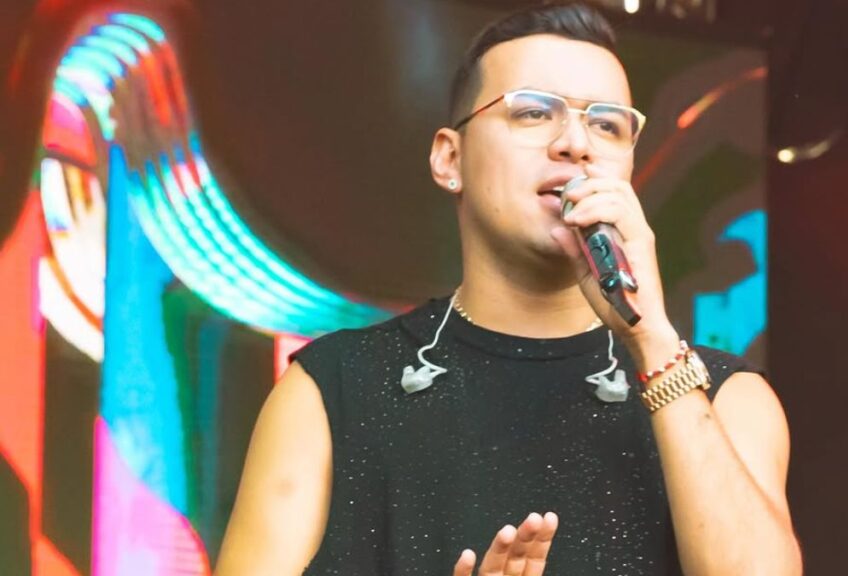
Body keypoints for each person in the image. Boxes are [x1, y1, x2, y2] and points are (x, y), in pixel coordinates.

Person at [215, 3, 801, 574]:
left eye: (606, 125)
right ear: (450, 158)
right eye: (534, 113)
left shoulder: (728, 399)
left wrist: (652, 340)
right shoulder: (332, 390)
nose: (576, 144)